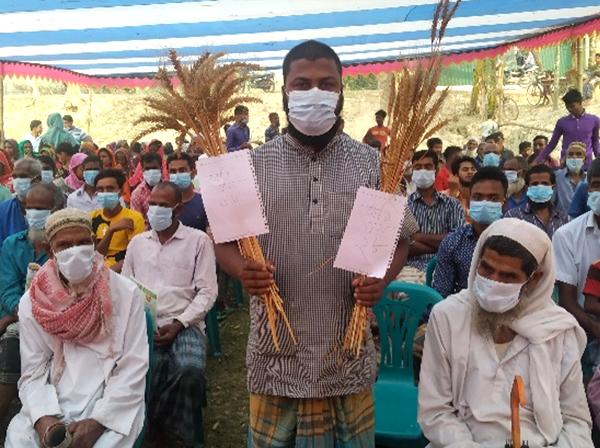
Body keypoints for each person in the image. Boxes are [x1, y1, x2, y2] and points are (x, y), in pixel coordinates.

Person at [214, 40, 418, 446]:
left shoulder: (374, 164)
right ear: (284, 93)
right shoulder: (248, 165)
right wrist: (242, 271)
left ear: (341, 92)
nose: (314, 93)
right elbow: (222, 241)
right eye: (301, 84)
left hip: (346, 349)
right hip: (276, 354)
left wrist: (379, 278)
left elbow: (400, 240)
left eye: (327, 83)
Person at [419, 219, 593, 448]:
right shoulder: (448, 317)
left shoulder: (557, 329)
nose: (493, 282)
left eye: (508, 276)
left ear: (534, 280)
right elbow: (436, 412)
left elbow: (575, 419)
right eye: (486, 268)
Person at [5, 208, 149, 448]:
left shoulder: (125, 292)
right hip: (55, 391)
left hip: (111, 391)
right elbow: (33, 369)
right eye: (64, 245)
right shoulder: (34, 301)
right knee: (19, 438)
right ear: (50, 251)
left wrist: (98, 421)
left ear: (94, 243)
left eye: (83, 242)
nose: (75, 251)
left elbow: (133, 365)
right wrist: (44, 418)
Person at [122, 182, 217, 447]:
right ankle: (172, 429)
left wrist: (179, 323)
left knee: (189, 370)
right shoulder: (137, 244)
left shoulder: (198, 241)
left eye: (164, 205)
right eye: (152, 203)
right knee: (147, 369)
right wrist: (142, 321)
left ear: (179, 209)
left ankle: (158, 427)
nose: (155, 210)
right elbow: (126, 288)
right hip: (145, 323)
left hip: (184, 322)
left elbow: (207, 292)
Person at [0, 183, 63, 429]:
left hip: (56, 316)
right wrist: (20, 311)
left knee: (12, 336)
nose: (34, 213)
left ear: (56, 209)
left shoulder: (64, 245)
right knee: (13, 338)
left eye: (41, 208)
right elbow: (8, 289)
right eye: (29, 208)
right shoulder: (12, 245)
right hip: (20, 314)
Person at [433, 167, 507, 298]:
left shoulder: (518, 241)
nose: (484, 203)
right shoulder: (453, 242)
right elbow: (441, 295)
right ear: (469, 202)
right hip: (464, 309)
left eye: (493, 199)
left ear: (504, 203)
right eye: (478, 197)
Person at [553, 158, 600, 352]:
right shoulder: (567, 235)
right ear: (588, 189)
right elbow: (567, 300)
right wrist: (594, 328)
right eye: (597, 185)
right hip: (585, 332)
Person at [403, 150, 465, 283]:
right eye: (418, 167)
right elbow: (405, 245)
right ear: (412, 171)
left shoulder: (453, 204)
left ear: (436, 170)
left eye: (428, 167)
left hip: (445, 266)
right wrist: (441, 243)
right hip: (410, 268)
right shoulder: (404, 206)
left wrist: (418, 236)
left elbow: (457, 241)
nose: (423, 171)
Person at [90, 169, 145, 272]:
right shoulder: (91, 218)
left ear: (121, 192)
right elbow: (96, 256)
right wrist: (111, 230)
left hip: (122, 273)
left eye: (110, 189)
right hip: (96, 270)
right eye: (100, 190)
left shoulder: (134, 218)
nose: (105, 193)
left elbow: (134, 256)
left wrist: (109, 275)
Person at [534, 90, 600, 169]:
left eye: (572, 106)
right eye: (567, 106)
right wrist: (536, 161)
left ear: (580, 103)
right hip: (566, 164)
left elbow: (595, 141)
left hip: (586, 164)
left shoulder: (594, 120)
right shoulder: (562, 122)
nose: (570, 109)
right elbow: (552, 144)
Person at [505, 165, 570, 239]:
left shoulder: (565, 220)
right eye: (535, 184)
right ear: (527, 188)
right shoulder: (513, 217)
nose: (540, 188)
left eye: (545, 184)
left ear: (553, 188)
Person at [0, 158, 42, 248]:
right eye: (15, 177)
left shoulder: (49, 207)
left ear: (37, 179)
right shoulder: (3, 209)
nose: (17, 181)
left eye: (23, 176)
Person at [167, 152, 208, 232]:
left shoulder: (204, 203)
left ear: (192, 173)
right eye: (173, 171)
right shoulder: (163, 205)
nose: (177, 175)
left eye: (182, 170)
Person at [131, 152, 163, 230]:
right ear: (142, 170)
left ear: (161, 169)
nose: (151, 172)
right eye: (148, 169)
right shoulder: (137, 194)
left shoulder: (170, 190)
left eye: (154, 168)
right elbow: (138, 221)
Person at [553, 141, 587, 214]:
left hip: (584, 223)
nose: (574, 157)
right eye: (570, 154)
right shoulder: (556, 176)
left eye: (578, 154)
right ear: (566, 158)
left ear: (585, 159)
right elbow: (551, 203)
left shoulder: (589, 179)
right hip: (561, 222)